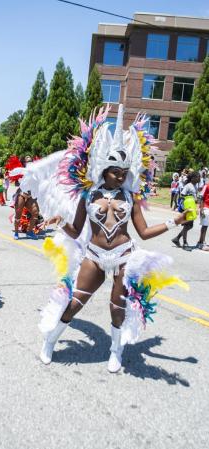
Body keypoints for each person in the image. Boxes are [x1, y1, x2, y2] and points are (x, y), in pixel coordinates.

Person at [18, 105, 189, 372]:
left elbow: (143, 232)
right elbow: (76, 230)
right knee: (74, 303)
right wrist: (60, 223)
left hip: (125, 257)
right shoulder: (88, 195)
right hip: (95, 257)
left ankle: (115, 351)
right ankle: (50, 340)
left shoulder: (130, 197)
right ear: (104, 169)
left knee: (117, 307)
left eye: (124, 171)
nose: (120, 175)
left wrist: (173, 222)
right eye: (115, 171)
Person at [172, 171, 200, 251]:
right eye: (198, 177)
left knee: (190, 225)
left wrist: (195, 202)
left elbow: (194, 197)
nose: (199, 178)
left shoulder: (195, 186)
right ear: (193, 178)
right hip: (187, 208)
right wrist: (187, 205)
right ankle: (185, 243)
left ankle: (177, 238)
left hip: (192, 208)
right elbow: (182, 195)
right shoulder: (188, 186)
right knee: (187, 225)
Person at [13, 156, 39, 240]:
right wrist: (19, 178)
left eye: (31, 161)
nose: (29, 163)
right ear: (24, 163)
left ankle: (30, 231)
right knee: (18, 214)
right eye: (27, 161)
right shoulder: (21, 171)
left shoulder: (35, 172)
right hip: (21, 194)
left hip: (31, 195)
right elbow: (16, 183)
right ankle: (16, 232)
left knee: (35, 212)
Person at [196, 179, 209, 251]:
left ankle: (200, 242)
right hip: (206, 208)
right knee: (205, 226)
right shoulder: (206, 186)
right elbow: (201, 197)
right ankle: (202, 243)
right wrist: (201, 209)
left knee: (206, 226)